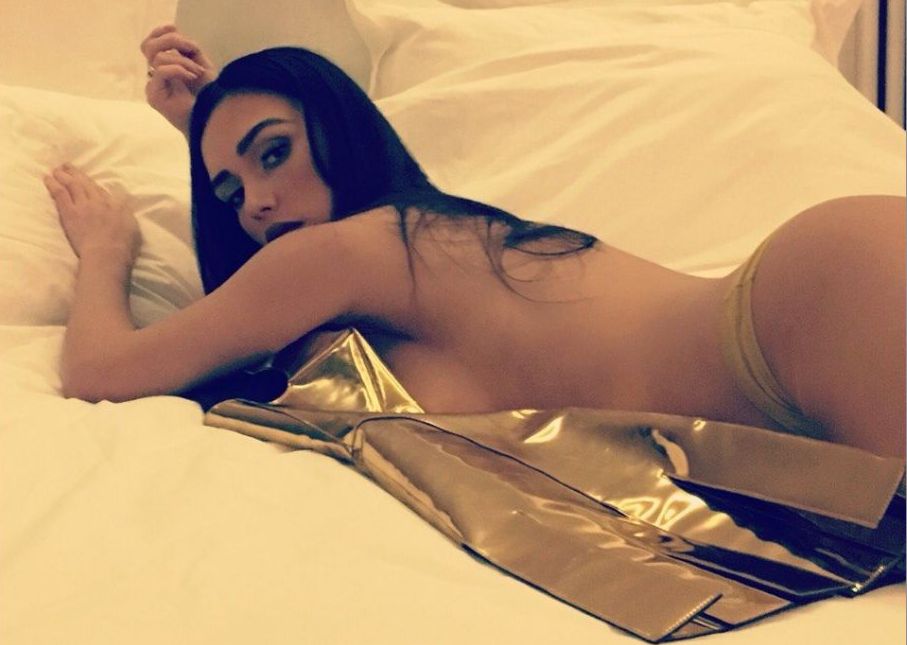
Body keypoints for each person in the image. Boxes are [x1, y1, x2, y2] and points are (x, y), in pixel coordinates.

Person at [43, 26, 905, 459]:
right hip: (806, 326)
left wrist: (108, 250)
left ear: (339, 130)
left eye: (275, 153)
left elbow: (100, 372)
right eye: (229, 193)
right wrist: (200, 127)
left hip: (807, 315)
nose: (256, 204)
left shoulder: (337, 253)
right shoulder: (408, 261)